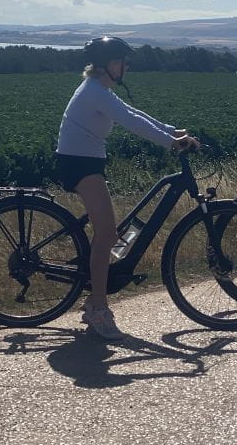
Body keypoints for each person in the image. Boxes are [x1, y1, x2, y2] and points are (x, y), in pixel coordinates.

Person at [55, 36, 199, 339]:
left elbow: (135, 114)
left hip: (85, 161)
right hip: (79, 164)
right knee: (107, 234)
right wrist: (171, 143)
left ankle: (93, 299)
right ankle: (99, 310)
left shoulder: (99, 89)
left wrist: (172, 131)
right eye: (121, 62)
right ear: (107, 65)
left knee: (111, 232)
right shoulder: (95, 91)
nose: (125, 67)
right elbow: (130, 121)